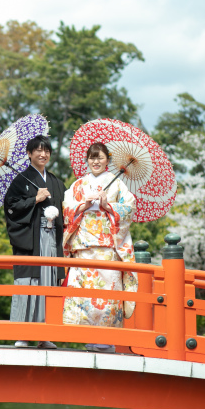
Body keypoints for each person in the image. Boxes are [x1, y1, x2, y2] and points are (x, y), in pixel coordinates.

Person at [61, 142, 138, 353]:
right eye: (92, 157)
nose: (95, 161)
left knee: (108, 292)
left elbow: (129, 208)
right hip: (83, 248)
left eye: (100, 158)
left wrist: (108, 206)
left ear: (108, 161)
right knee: (83, 294)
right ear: (87, 160)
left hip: (107, 249)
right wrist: (82, 206)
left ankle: (106, 340)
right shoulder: (78, 186)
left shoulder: (117, 185)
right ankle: (87, 338)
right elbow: (66, 209)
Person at [4, 135, 66, 349]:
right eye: (38, 150)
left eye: (46, 150)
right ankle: (22, 334)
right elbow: (11, 208)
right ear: (29, 154)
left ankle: (45, 335)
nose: (43, 154)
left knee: (49, 282)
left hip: (52, 240)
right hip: (31, 240)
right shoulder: (20, 180)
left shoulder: (56, 182)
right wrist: (34, 199)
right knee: (29, 283)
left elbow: (68, 210)